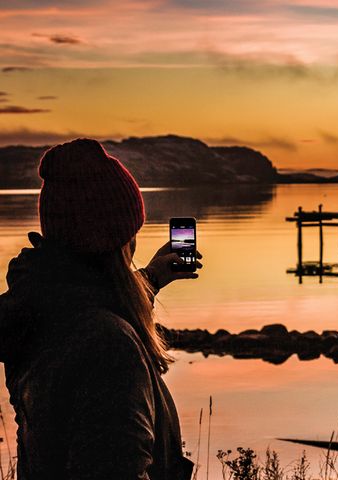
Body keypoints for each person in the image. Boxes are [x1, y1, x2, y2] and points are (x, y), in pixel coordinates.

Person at [0, 138, 202, 479]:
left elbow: (86, 299)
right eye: (131, 231)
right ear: (117, 239)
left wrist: (151, 278)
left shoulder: (40, 311)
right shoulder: (109, 347)